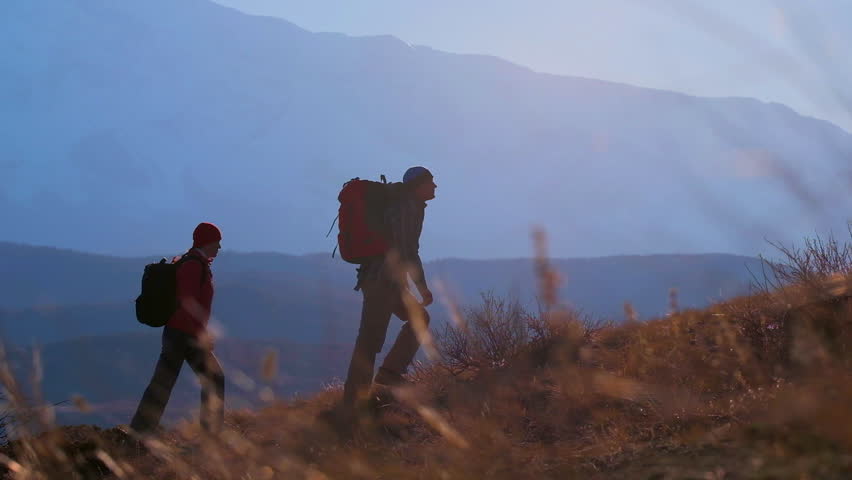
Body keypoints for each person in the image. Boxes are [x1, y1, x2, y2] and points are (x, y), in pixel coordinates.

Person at [341, 166, 438, 413]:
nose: (435, 187)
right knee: (370, 340)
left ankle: (389, 374)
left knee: (419, 319)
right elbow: (407, 251)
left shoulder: (410, 205)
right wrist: (422, 288)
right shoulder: (407, 207)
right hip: (382, 280)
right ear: (419, 185)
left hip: (386, 280)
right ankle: (354, 401)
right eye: (431, 182)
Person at [130, 222, 225, 435]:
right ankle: (211, 433)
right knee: (213, 379)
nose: (219, 248)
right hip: (184, 335)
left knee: (163, 384)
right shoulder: (193, 266)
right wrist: (202, 335)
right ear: (207, 242)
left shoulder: (196, 263)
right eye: (217, 243)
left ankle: (139, 432)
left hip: (180, 334)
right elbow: (188, 303)